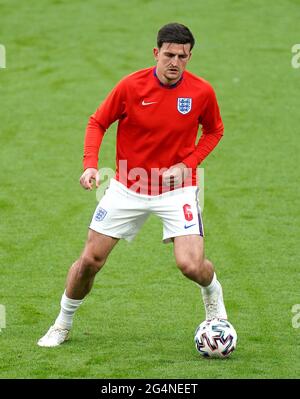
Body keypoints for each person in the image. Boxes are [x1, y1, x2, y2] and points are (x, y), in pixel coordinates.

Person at [38, 22, 227, 347]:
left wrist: (188, 165)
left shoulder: (201, 92)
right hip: (129, 186)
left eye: (182, 56)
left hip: (177, 190)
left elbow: (214, 131)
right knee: (90, 261)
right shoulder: (131, 87)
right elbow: (98, 121)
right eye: (168, 55)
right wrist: (90, 166)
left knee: (191, 265)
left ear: (189, 56)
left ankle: (213, 294)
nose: (174, 62)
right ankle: (62, 323)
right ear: (156, 53)